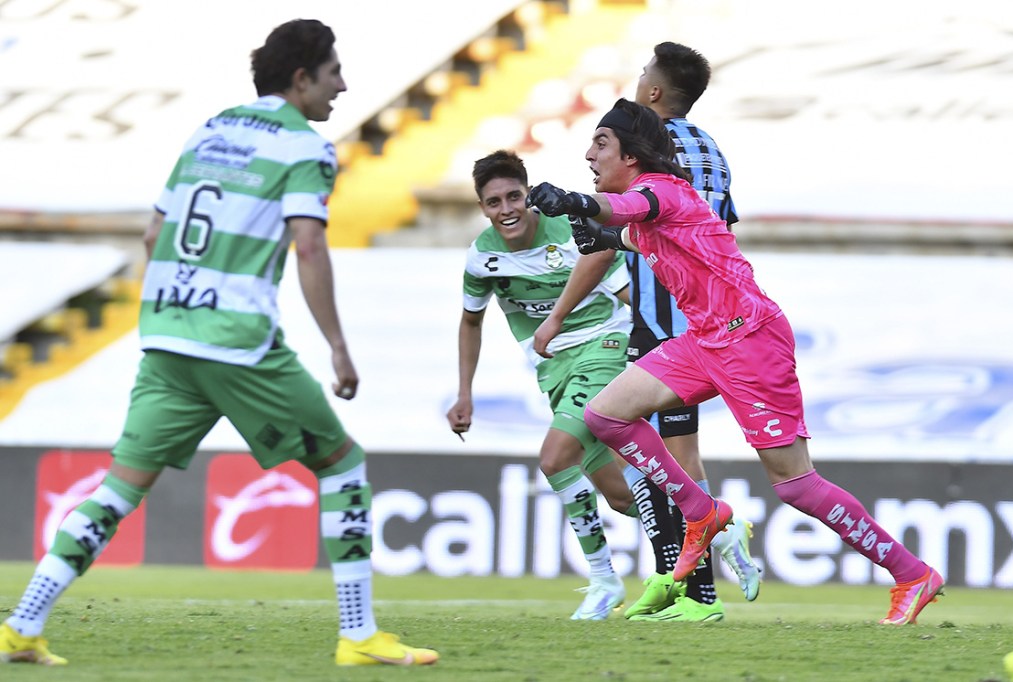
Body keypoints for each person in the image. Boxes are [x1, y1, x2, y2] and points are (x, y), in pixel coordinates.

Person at [0, 19, 438, 667]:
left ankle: (22, 625)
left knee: (118, 490)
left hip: (167, 334)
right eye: (333, 72)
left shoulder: (210, 130)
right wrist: (339, 348)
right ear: (300, 78)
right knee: (342, 464)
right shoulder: (306, 148)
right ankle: (358, 634)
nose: (343, 86)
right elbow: (309, 244)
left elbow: (154, 235)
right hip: (236, 340)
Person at [526, 97, 944, 626]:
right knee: (605, 415)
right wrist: (599, 232)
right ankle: (703, 513)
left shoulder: (657, 190)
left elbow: (624, 212)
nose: (590, 153)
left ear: (631, 156)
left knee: (795, 484)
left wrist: (575, 203)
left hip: (750, 340)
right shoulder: (656, 204)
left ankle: (911, 574)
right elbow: (628, 232)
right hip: (705, 339)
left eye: (601, 143)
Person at [533, 43, 761, 623]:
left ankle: (694, 588)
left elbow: (621, 228)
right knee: (671, 455)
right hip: (710, 316)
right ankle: (690, 584)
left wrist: (558, 313)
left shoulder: (644, 154)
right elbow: (718, 231)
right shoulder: (712, 150)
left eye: (641, 75)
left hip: (667, 321)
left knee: (648, 457)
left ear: (654, 91)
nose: (636, 82)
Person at [447, 149, 635, 620]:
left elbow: (630, 295)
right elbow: (471, 323)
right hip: (554, 370)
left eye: (514, 196)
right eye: (494, 202)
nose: (506, 209)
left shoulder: (572, 232)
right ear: (482, 208)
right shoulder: (483, 257)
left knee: (554, 458)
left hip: (605, 348)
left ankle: (603, 580)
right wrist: (464, 392)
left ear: (529, 194)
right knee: (620, 495)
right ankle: (711, 520)